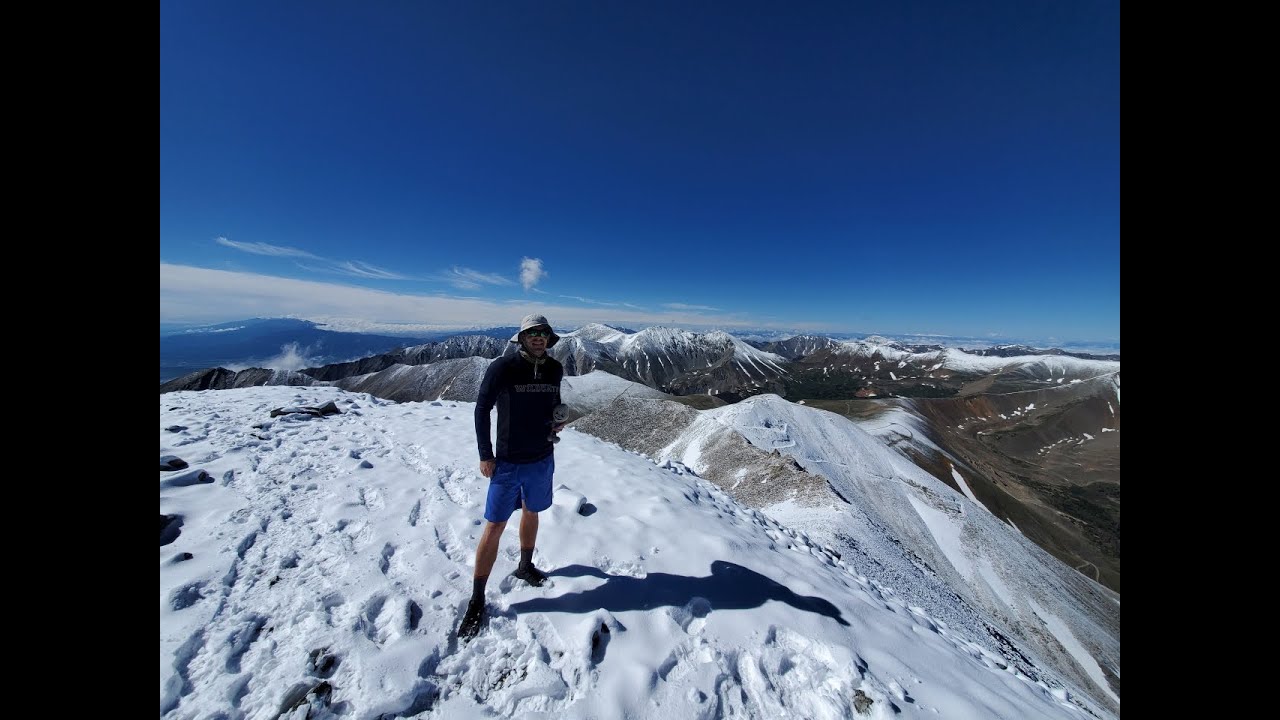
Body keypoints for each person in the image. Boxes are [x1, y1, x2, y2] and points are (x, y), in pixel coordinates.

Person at [458, 313, 567, 640]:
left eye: (543, 333)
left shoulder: (554, 369)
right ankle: (477, 597)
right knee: (495, 524)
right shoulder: (503, 367)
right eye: (532, 333)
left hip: (542, 456)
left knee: (532, 511)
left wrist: (556, 421)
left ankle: (524, 565)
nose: (538, 338)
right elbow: (481, 408)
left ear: (549, 338)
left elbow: (554, 402)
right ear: (521, 338)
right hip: (506, 462)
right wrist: (485, 454)